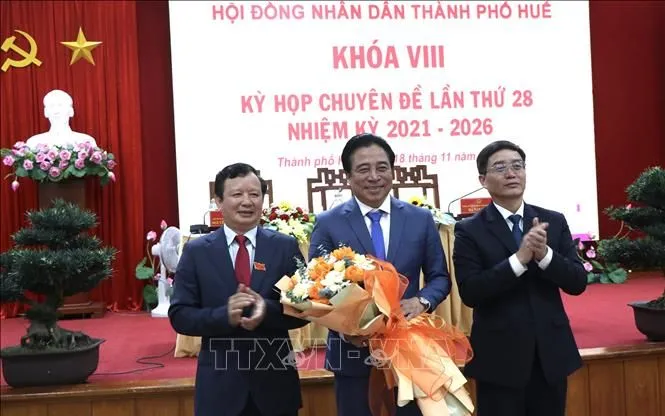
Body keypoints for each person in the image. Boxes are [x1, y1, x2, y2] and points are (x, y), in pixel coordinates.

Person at [308, 133, 450, 416]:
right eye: (363, 169)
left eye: (382, 168)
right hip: (352, 354)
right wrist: (347, 329)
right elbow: (314, 286)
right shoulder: (328, 223)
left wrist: (421, 301)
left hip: (409, 351)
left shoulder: (419, 219)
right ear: (348, 176)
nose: (374, 177)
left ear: (392, 171)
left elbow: (440, 278)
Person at [453, 140, 587, 416]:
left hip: (550, 354)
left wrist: (545, 255)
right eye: (500, 167)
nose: (511, 173)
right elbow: (471, 292)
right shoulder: (469, 230)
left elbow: (577, 282)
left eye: (517, 166)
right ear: (483, 180)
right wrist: (519, 259)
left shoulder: (553, 221)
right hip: (499, 358)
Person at [169, 163, 307, 416]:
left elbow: (305, 309)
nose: (247, 202)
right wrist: (223, 316)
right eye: (237, 194)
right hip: (220, 389)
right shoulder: (197, 252)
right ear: (219, 201)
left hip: (275, 387)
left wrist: (267, 310)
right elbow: (180, 315)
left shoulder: (284, 247)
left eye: (254, 194)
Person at [25, 89, 98, 148]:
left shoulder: (86, 141)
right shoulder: (34, 143)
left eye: (60, 105)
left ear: (71, 111)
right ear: (45, 112)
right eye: (51, 106)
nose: (56, 111)